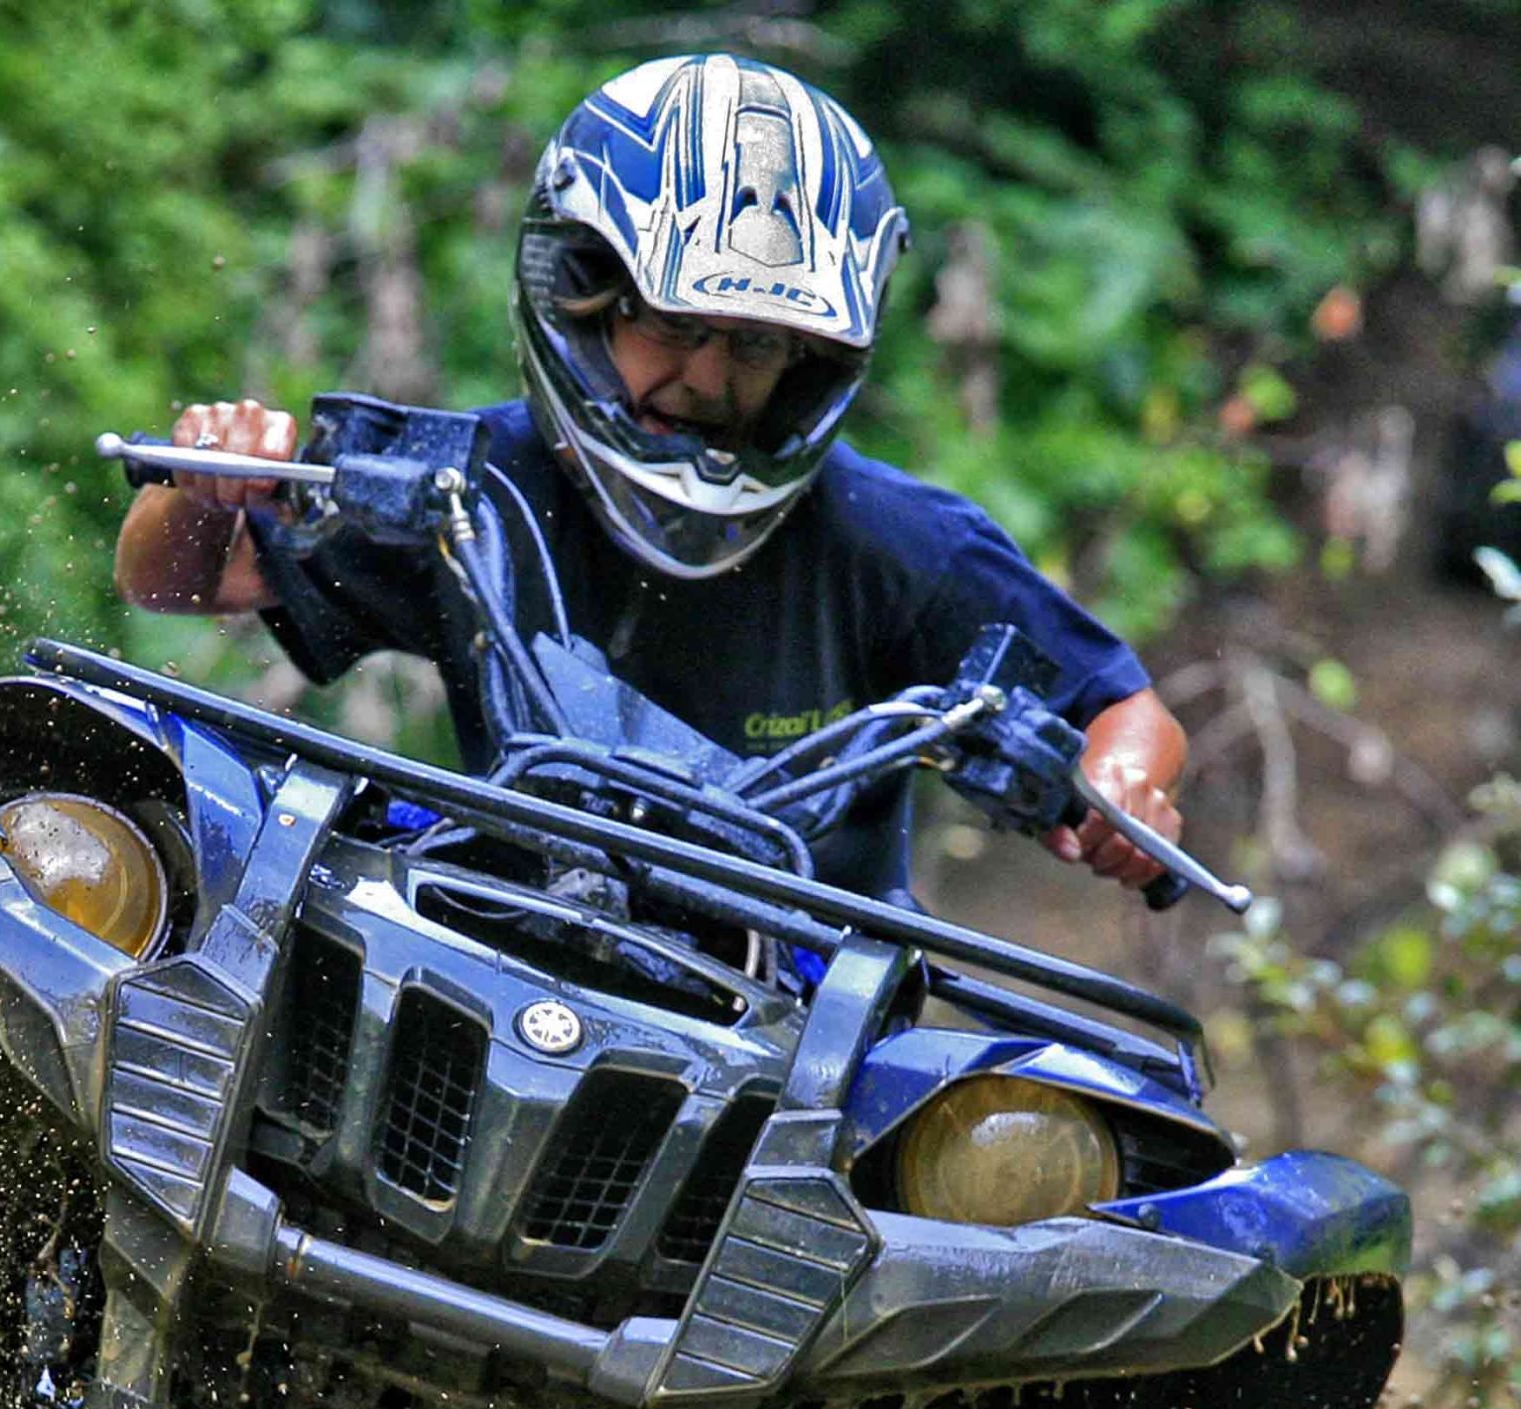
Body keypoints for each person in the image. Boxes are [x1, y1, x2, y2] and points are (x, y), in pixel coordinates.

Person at [115, 53, 1185, 901]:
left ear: (815, 364)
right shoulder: (472, 487)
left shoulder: (894, 540)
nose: (710, 375)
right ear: (582, 295)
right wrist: (200, 489)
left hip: (805, 1017)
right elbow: (176, 583)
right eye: (674, 323)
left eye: (759, 346)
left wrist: (1120, 787)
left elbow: (1119, 703)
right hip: (504, 951)